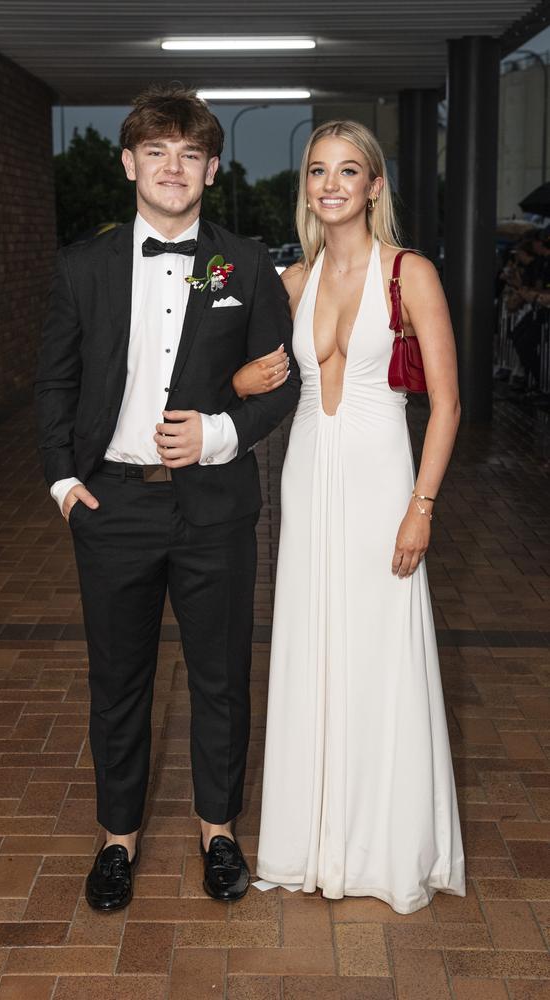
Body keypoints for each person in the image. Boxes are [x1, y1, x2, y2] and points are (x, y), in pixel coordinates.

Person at [34, 84, 299, 911]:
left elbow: (283, 386)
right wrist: (64, 486)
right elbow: (55, 383)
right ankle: (118, 840)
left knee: (222, 676)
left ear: (212, 169)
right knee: (118, 681)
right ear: (129, 163)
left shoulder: (245, 263)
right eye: (157, 152)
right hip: (112, 508)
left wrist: (219, 432)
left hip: (216, 506)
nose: (173, 168)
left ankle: (218, 830)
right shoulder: (84, 264)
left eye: (189, 154)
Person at [239, 120, 465, 914]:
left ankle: (381, 843)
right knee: (311, 643)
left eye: (347, 170)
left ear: (374, 185)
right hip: (307, 474)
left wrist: (422, 507)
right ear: (305, 187)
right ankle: (309, 841)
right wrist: (239, 377)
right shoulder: (292, 283)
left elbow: (446, 404)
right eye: (316, 171)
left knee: (379, 648)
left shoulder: (412, 274)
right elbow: (251, 372)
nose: (330, 184)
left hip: (381, 478)